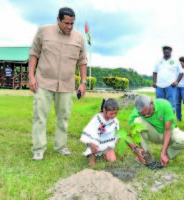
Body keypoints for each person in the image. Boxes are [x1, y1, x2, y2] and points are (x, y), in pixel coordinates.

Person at [29, 7, 87, 160]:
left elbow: (82, 61)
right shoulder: (43, 31)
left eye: (72, 24)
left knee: (63, 117)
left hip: (66, 85)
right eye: (66, 23)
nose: (69, 27)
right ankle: (38, 149)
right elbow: (34, 54)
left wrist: (83, 82)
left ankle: (61, 146)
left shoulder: (79, 37)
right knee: (40, 117)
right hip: (44, 82)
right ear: (58, 19)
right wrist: (31, 77)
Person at [128, 95, 184, 167]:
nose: (146, 116)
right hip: (153, 134)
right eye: (143, 114)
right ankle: (146, 156)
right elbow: (128, 135)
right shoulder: (135, 113)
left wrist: (163, 152)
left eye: (148, 113)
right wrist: (137, 150)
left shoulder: (164, 105)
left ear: (151, 103)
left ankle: (167, 155)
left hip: (168, 132)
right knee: (137, 122)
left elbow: (168, 130)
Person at [80, 98, 120, 166]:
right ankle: (92, 157)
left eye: (115, 113)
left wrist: (116, 143)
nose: (113, 115)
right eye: (111, 114)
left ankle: (104, 152)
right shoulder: (97, 118)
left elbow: (117, 133)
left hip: (107, 143)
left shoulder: (115, 120)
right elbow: (89, 131)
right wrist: (92, 144)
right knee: (93, 146)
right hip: (96, 142)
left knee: (112, 160)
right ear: (104, 111)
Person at [153, 46, 183, 111]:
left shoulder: (175, 61)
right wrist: (154, 82)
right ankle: (161, 120)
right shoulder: (158, 61)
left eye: (168, 49)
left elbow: (181, 73)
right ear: (162, 51)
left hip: (171, 86)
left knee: (171, 105)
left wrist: (176, 82)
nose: (166, 50)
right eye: (164, 49)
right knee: (159, 104)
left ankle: (170, 120)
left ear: (171, 51)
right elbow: (155, 72)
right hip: (159, 86)